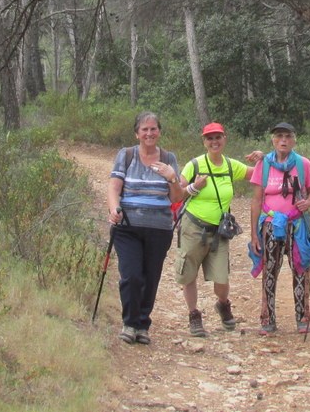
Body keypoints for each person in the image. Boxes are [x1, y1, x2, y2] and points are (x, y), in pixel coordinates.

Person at [175, 122, 262, 337]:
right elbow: (177, 194)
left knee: (222, 278)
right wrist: (194, 187)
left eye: (218, 137)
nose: (214, 142)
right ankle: (194, 315)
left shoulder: (231, 166)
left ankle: (223, 304)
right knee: (189, 274)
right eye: (209, 138)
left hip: (219, 232)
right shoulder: (194, 165)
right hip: (193, 227)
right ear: (204, 142)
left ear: (225, 139)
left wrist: (264, 158)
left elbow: (257, 175)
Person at [107, 111, 184, 345]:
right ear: (137, 133)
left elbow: (176, 198)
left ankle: (143, 324)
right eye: (144, 129)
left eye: (153, 129)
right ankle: (129, 323)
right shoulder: (126, 155)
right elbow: (114, 187)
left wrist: (172, 178)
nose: (149, 133)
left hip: (159, 228)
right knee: (131, 275)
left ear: (159, 132)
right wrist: (114, 209)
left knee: (151, 277)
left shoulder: (169, 158)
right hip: (128, 225)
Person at [249, 122, 310, 335]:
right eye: (279, 136)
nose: (283, 140)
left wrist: (308, 203)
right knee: (270, 270)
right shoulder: (264, 164)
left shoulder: (303, 163)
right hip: (271, 225)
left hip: (296, 225)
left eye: (287, 136)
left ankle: (302, 317)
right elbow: (257, 199)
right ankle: (267, 318)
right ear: (273, 140)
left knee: (300, 268)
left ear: (294, 139)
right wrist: (254, 234)